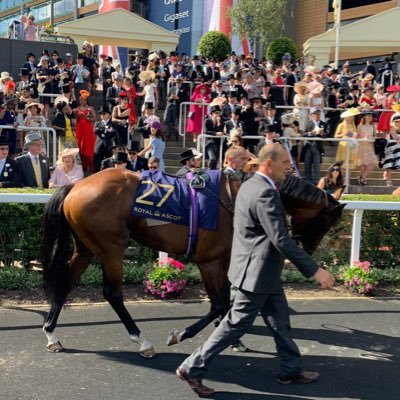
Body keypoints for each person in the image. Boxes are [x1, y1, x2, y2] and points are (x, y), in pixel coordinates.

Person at [176, 143, 335, 397]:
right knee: (234, 325)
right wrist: (315, 270)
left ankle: (290, 369)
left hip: (261, 271)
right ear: (269, 164)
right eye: (284, 162)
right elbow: (280, 238)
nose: (289, 167)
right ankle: (191, 368)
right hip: (256, 274)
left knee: (280, 321)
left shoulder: (250, 184)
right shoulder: (264, 192)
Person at [74, 90, 96, 173]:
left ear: (86, 100)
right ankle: (83, 167)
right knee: (80, 147)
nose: (81, 101)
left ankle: (91, 166)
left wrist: (88, 118)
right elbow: (75, 119)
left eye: (82, 100)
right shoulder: (78, 109)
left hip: (88, 130)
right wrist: (75, 113)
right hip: (79, 130)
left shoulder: (90, 108)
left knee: (88, 148)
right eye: (80, 100)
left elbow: (95, 118)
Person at [354, 111, 378, 185]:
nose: (369, 117)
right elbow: (357, 137)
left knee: (374, 163)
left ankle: (362, 177)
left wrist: (371, 138)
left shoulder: (373, 126)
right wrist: (363, 137)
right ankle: (363, 180)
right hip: (362, 146)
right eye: (367, 116)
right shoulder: (360, 126)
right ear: (364, 117)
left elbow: (375, 136)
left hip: (370, 146)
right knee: (363, 164)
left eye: (370, 116)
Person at [93, 104, 118, 172]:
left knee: (109, 163)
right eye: (100, 113)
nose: (102, 115)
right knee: (97, 162)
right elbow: (95, 130)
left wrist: (103, 131)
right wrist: (106, 130)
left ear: (109, 114)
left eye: (103, 113)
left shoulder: (113, 124)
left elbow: (114, 133)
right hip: (99, 146)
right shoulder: (97, 123)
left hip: (109, 146)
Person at [379, 113, 400, 186]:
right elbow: (395, 138)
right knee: (389, 164)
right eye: (396, 121)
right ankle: (389, 181)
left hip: (399, 148)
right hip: (391, 148)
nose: (397, 123)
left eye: (399, 121)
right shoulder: (392, 128)